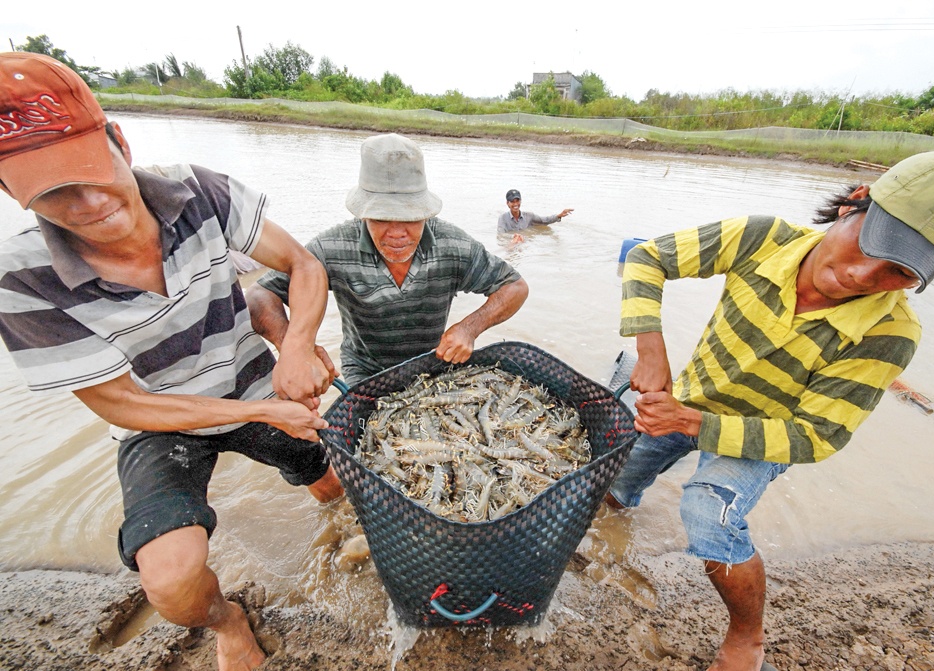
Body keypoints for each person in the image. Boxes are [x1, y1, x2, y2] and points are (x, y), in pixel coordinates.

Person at [0, 53, 343, 671]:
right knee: (172, 584)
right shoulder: (22, 281)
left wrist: (295, 345)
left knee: (329, 480)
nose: (85, 203)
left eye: (88, 170)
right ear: (10, 191)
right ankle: (229, 620)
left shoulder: (199, 192)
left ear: (117, 139)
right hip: (160, 424)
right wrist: (265, 408)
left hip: (252, 384)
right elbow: (123, 403)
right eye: (51, 191)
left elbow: (303, 263)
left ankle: (335, 519)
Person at [607, 151, 934, 671]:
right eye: (870, 245)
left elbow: (815, 437)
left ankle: (746, 637)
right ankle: (613, 534)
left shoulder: (890, 332)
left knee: (707, 511)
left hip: (766, 432)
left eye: (898, 272)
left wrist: (690, 423)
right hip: (693, 393)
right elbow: (646, 257)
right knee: (619, 481)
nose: (862, 275)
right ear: (854, 204)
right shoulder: (762, 237)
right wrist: (651, 349)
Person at [247, 133, 529, 385]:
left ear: (425, 212)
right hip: (365, 371)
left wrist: (469, 328)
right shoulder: (331, 249)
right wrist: (296, 350)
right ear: (363, 212)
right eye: (381, 217)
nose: (396, 233)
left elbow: (514, 287)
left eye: (409, 217)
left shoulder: (452, 245)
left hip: (430, 366)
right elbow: (260, 294)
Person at [497, 188, 573, 242]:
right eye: (512, 202)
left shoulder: (529, 216)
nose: (515, 204)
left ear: (521, 201)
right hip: (512, 242)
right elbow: (501, 235)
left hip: (525, 242)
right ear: (507, 203)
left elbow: (545, 220)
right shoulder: (503, 218)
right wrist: (513, 236)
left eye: (517, 201)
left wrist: (559, 215)